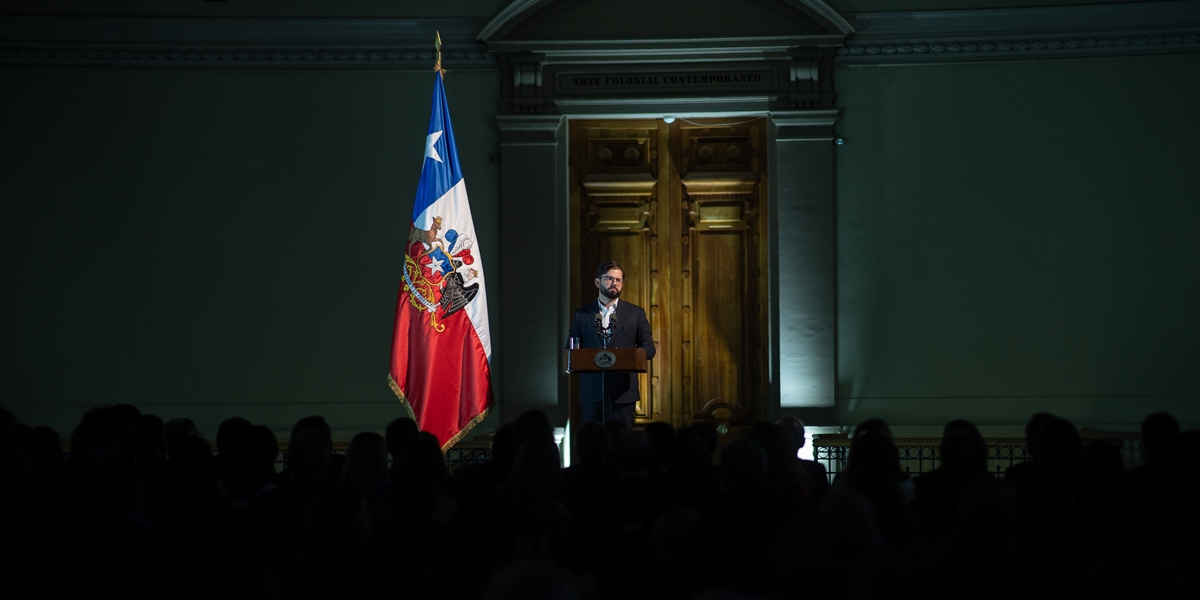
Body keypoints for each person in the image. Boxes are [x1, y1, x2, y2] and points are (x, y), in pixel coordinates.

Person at [566, 261, 656, 425]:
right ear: (597, 282)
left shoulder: (635, 313)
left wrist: (628, 356)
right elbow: (571, 349)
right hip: (592, 392)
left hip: (623, 393)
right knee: (594, 438)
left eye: (618, 280)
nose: (614, 283)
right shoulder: (582, 314)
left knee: (622, 438)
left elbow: (649, 348)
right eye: (609, 278)